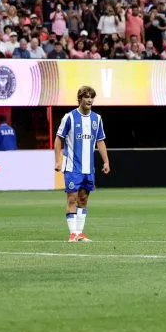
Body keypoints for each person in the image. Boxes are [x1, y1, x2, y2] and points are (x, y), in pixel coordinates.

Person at [54, 86, 110, 243]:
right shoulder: (69, 117)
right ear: (80, 99)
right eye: (86, 97)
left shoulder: (96, 119)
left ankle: (80, 233)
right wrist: (58, 160)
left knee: (83, 199)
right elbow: (59, 138)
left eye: (92, 97)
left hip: (88, 168)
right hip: (72, 167)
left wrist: (106, 161)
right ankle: (72, 234)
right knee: (72, 199)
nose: (90, 99)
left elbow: (100, 140)